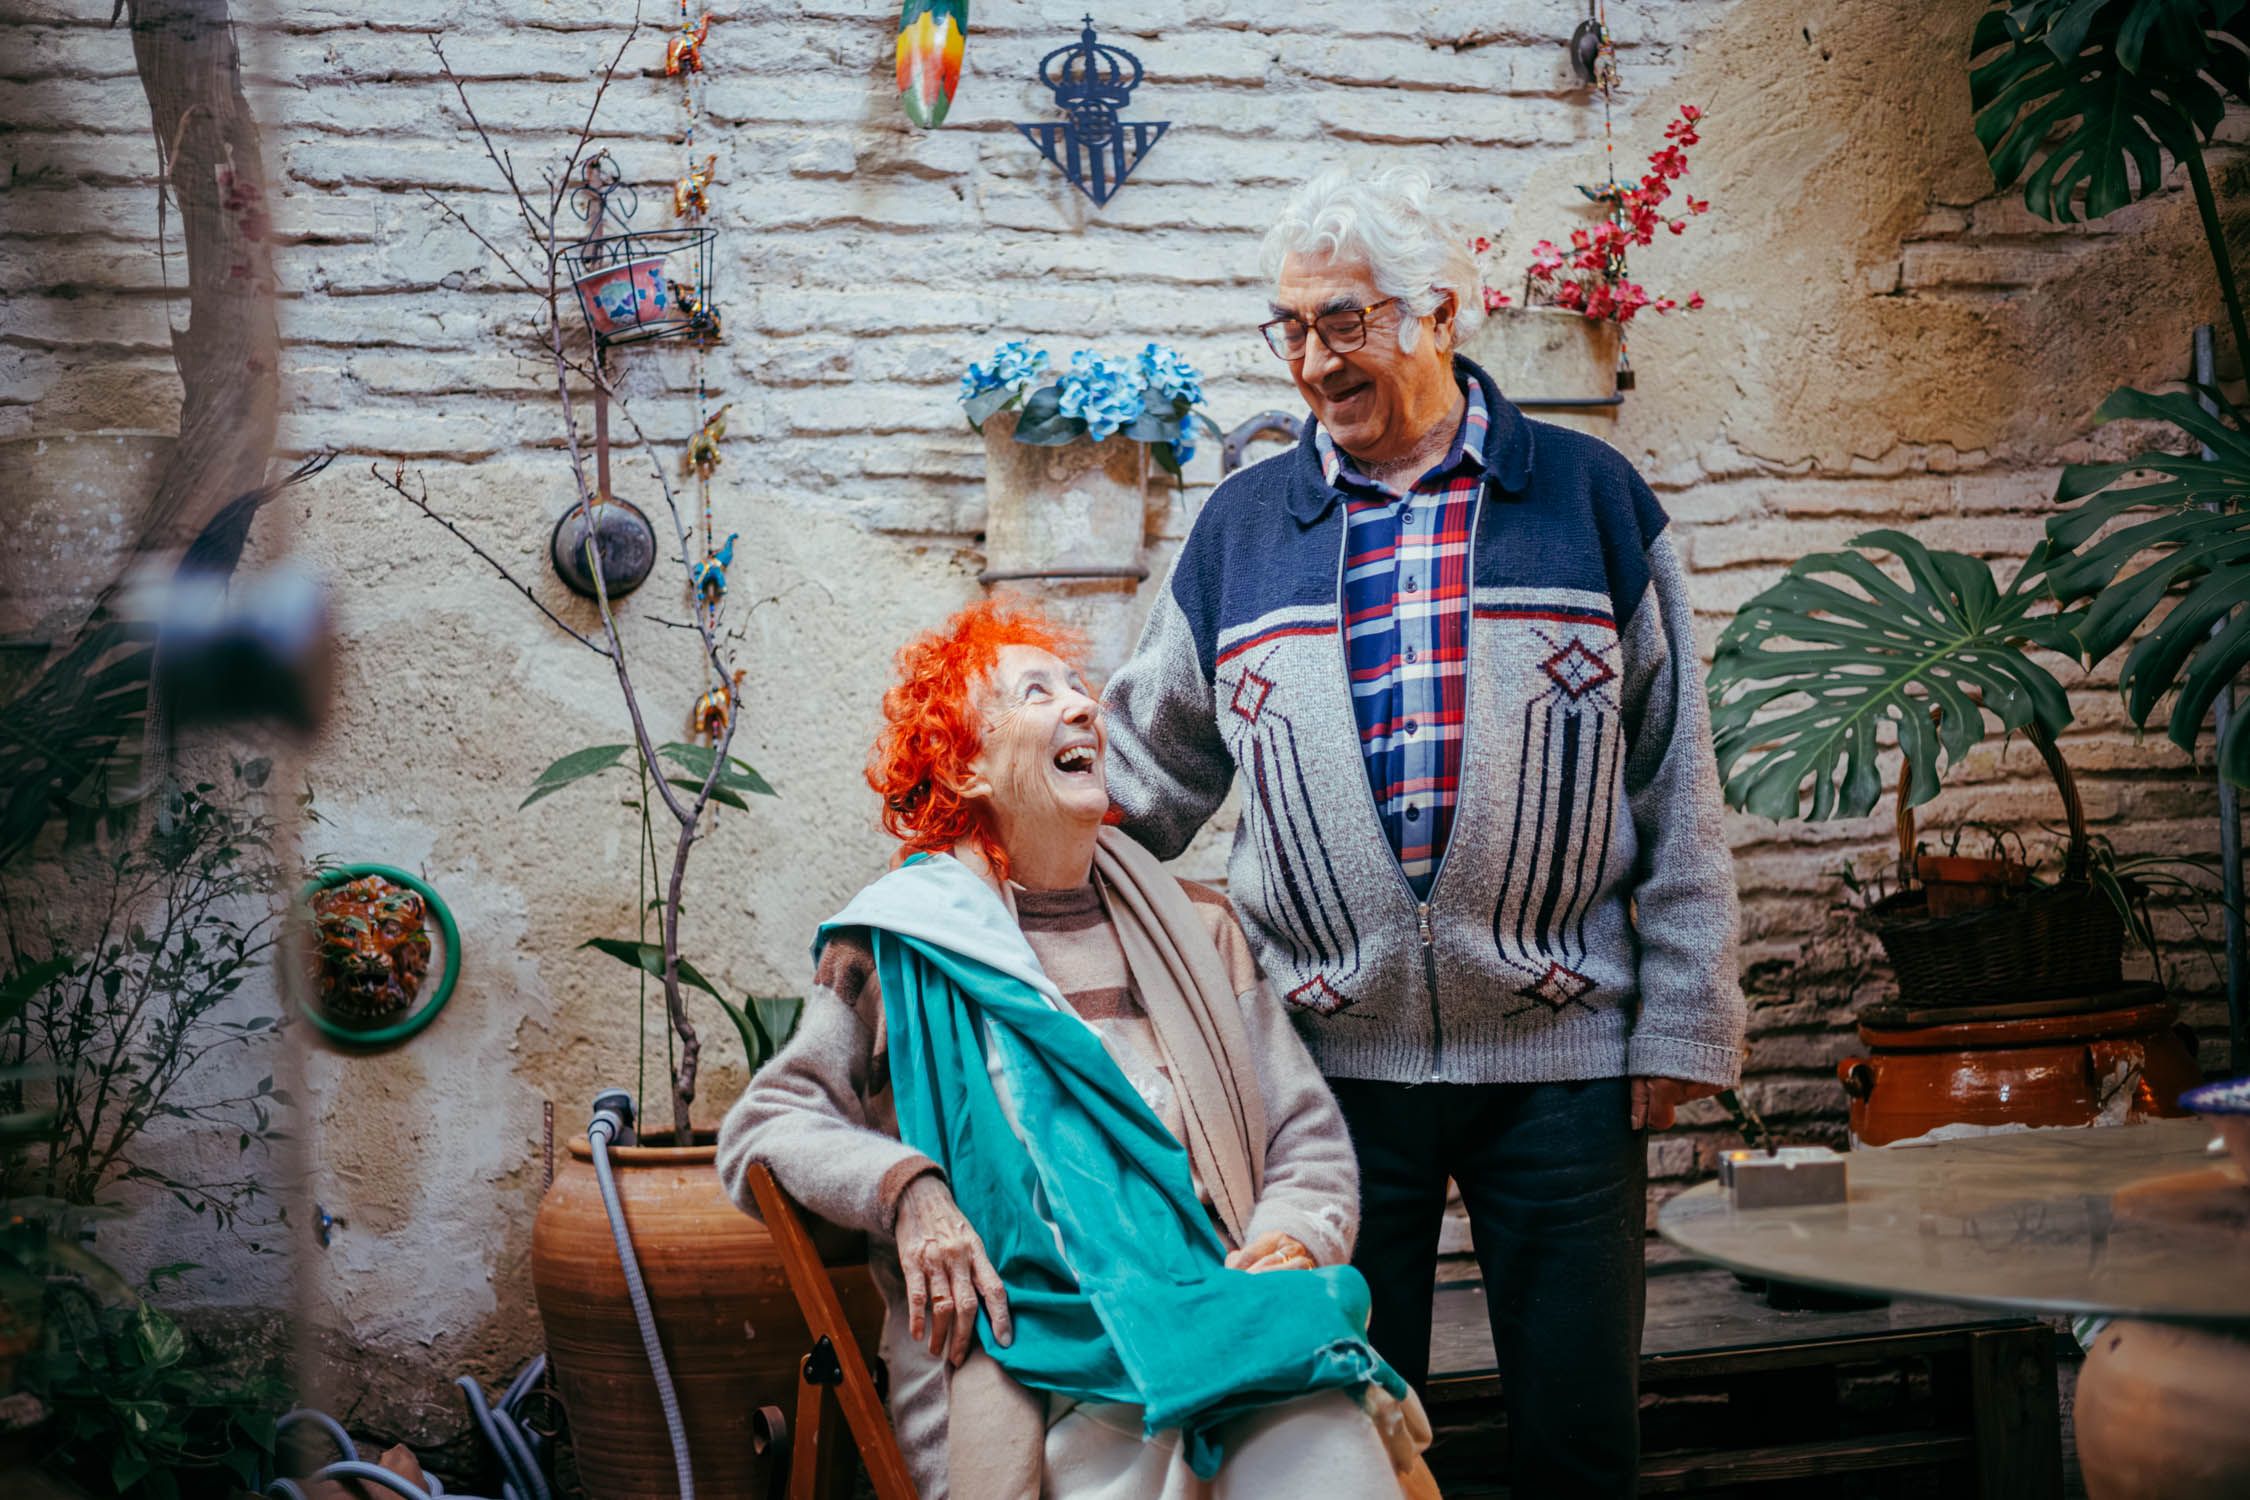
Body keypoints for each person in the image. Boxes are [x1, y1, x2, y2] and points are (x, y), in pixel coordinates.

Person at [1100, 165, 1748, 1496]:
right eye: (1288, 331)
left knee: (1579, 1441)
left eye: (1343, 323)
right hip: (1323, 1071)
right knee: (1335, 1443)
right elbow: (1143, 776)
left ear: (1437, 311)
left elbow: (1673, 775)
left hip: (1561, 1064)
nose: (1312, 363)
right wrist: (988, 862)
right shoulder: (1241, 531)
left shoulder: (1587, 500)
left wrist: (1684, 1018)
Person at [717, 599, 1436, 1499]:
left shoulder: (1200, 929)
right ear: (967, 767)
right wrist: (909, 1190)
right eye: (1035, 693)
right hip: (1032, 1371)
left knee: (1332, 1457)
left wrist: (1292, 1235)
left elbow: (1305, 1136)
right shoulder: (890, 949)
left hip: (1224, 1323)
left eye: (1080, 689)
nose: (1085, 707)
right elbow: (763, 1131)